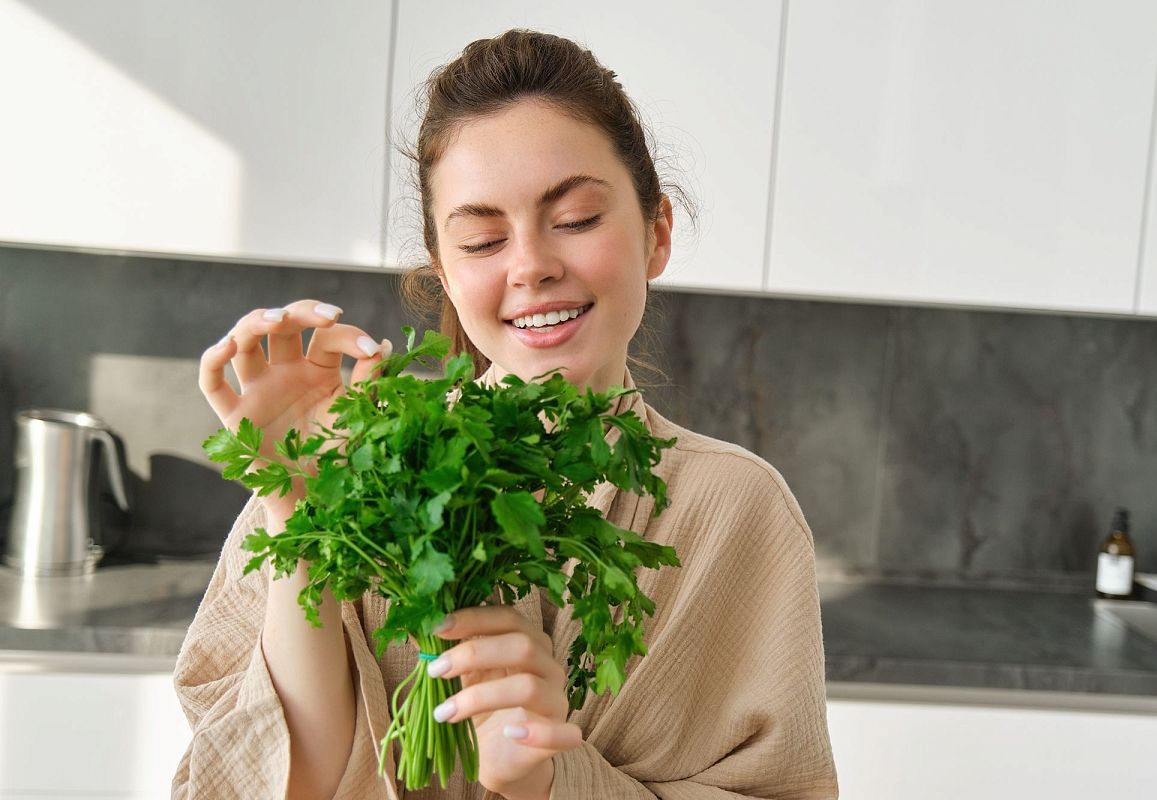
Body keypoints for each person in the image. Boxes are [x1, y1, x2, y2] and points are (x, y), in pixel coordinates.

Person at [174, 29, 838, 800]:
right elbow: (291, 779)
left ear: (656, 232)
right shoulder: (352, 469)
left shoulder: (739, 512)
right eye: (484, 239)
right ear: (445, 275)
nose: (530, 265)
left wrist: (547, 782)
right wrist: (296, 504)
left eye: (578, 219)